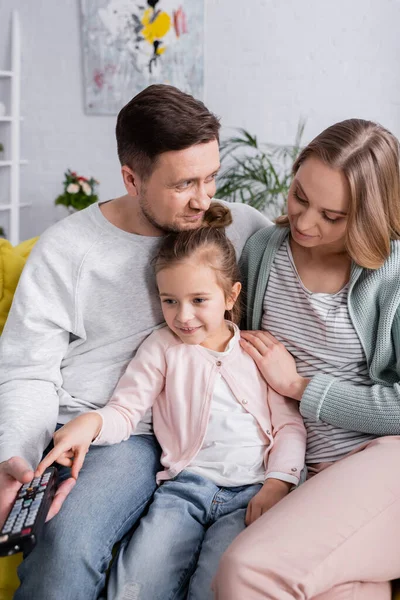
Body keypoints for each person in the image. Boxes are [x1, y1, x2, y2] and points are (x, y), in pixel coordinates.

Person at [0, 84, 271, 600]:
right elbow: (27, 369)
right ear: (132, 178)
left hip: (194, 432)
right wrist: (15, 453)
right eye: (185, 183)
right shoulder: (69, 249)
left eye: (212, 176)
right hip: (105, 426)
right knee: (64, 544)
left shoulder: (241, 230)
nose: (204, 198)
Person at [35, 203, 307, 600]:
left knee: (217, 585)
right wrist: (91, 423)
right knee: (136, 583)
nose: (183, 317)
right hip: (182, 491)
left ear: (231, 296)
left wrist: (278, 482)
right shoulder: (161, 347)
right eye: (169, 300)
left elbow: (288, 426)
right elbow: (126, 411)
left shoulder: (257, 352)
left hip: (251, 490)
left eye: (199, 300)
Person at [213, 118, 400, 600]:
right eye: (300, 196)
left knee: (245, 571)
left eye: (331, 216)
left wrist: (300, 388)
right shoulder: (263, 252)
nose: (304, 222)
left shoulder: (391, 277)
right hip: (303, 473)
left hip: (382, 461)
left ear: (367, 216)